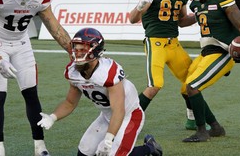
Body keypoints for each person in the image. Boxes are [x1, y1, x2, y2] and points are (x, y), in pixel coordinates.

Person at [0, 0, 72, 156]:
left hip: (22, 43)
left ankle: (40, 146)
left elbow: (53, 25)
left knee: (31, 94)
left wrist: (72, 52)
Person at [37, 27, 163, 156]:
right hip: (106, 115)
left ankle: (149, 149)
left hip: (128, 116)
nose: (78, 53)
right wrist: (53, 117)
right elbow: (70, 102)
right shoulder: (73, 72)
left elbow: (119, 110)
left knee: (112, 154)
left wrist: (108, 140)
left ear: (95, 50)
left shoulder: (107, 72)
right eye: (76, 49)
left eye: (83, 49)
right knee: (84, 154)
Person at [182, 0, 240, 142]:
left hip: (223, 52)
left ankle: (202, 131)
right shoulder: (197, 3)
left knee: (192, 87)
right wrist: (177, 7)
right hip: (207, 52)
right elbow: (184, 22)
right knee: (185, 89)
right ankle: (215, 127)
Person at [129, 0, 197, 130]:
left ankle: (191, 118)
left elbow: (182, 21)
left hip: (174, 43)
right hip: (155, 42)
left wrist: (199, 14)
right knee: (155, 85)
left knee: (192, 80)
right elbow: (132, 19)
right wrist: (141, 5)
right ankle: (129, 121)